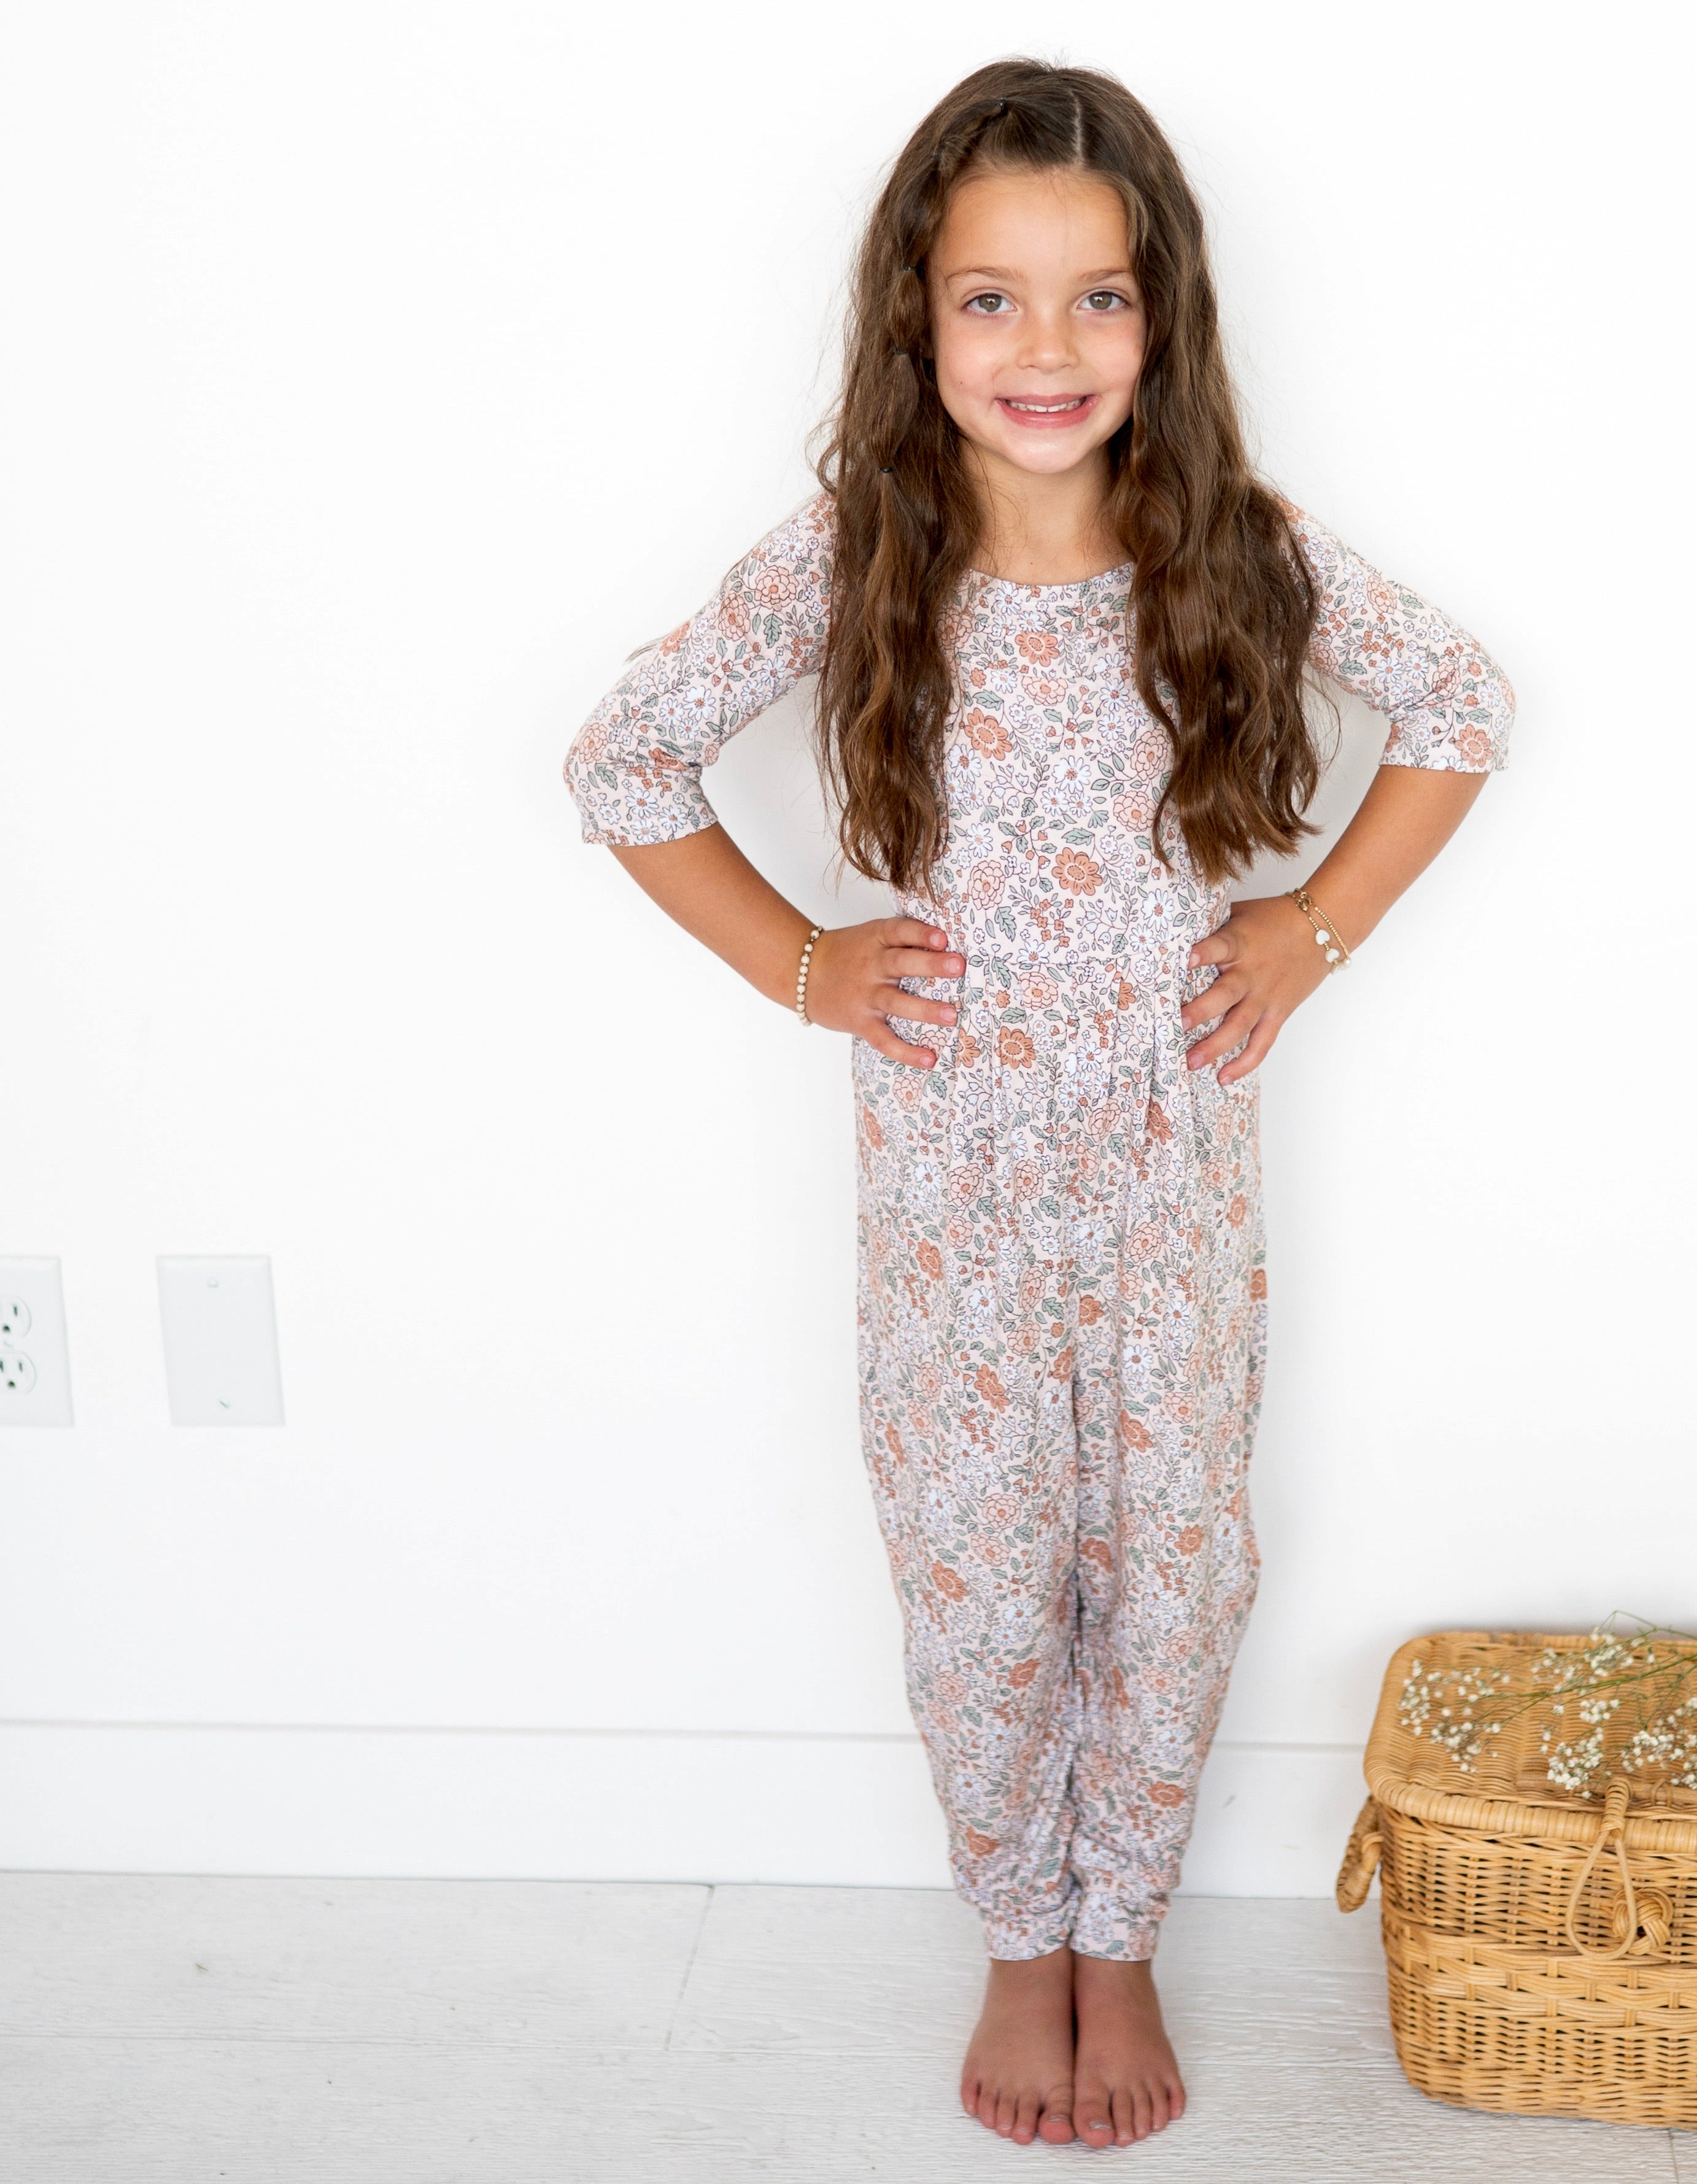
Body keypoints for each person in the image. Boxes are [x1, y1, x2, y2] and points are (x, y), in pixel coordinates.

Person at [563, 57, 1512, 2153]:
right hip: (954, 1210)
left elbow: (1459, 705)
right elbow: (623, 764)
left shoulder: (1235, 551)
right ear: (918, 321)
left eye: (1095, 298)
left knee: (1172, 1573)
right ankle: (1023, 1936)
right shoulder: (852, 560)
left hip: (1177, 1198)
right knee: (988, 1577)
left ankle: (1127, 1925)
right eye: (992, 300)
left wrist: (1311, 931)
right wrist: (803, 961)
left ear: (1159, 317)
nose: (1047, 349)